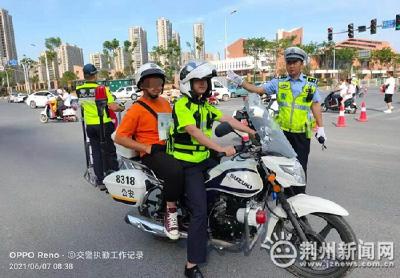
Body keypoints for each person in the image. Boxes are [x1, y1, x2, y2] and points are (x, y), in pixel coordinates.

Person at [169, 61, 256, 278]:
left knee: (229, 179)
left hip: (205, 158)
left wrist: (253, 132)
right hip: (187, 163)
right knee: (199, 211)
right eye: (198, 80)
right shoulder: (182, 105)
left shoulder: (204, 105)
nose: (203, 84)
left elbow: (227, 119)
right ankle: (191, 266)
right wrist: (220, 148)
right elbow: (193, 131)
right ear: (188, 84)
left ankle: (221, 222)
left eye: (205, 81)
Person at [227, 46, 326, 194]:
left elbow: (315, 106)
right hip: (282, 134)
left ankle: (298, 201)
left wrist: (321, 128)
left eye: (295, 62)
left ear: (301, 64)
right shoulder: (278, 83)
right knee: (279, 168)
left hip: (301, 135)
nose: (291, 65)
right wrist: (240, 82)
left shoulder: (310, 84)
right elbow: (258, 90)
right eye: (289, 62)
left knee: (299, 169)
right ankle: (282, 201)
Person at [114, 63, 184, 240]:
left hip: (169, 147)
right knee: (174, 171)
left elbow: (170, 127)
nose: (156, 86)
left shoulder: (165, 102)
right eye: (150, 82)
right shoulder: (136, 109)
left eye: (159, 82)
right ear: (142, 85)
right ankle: (171, 213)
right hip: (152, 152)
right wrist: (146, 147)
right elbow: (120, 137)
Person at [77, 64, 124, 190]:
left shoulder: (79, 90)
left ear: (85, 75)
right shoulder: (102, 89)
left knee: (96, 152)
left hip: (90, 125)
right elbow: (113, 106)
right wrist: (122, 107)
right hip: (103, 124)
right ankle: (114, 176)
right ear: (94, 74)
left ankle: (100, 180)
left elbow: (81, 106)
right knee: (110, 151)